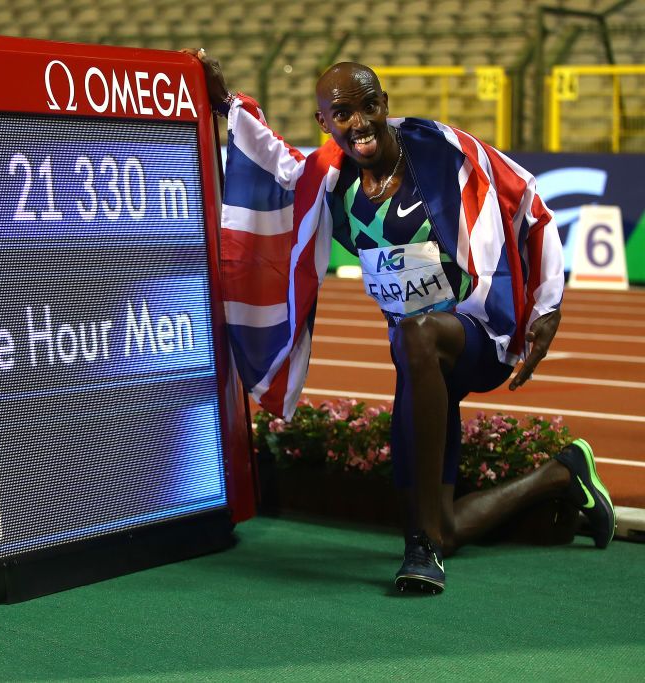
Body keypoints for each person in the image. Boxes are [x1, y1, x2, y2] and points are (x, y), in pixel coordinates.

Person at [187, 49, 616, 594]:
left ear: (384, 103)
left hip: (478, 331)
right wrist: (224, 101)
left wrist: (549, 306)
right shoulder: (329, 178)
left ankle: (420, 549)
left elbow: (530, 201)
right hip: (422, 363)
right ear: (326, 123)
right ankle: (562, 474)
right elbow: (275, 165)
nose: (359, 122)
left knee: (416, 333)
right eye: (342, 114)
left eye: (368, 106)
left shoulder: (442, 152)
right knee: (447, 523)